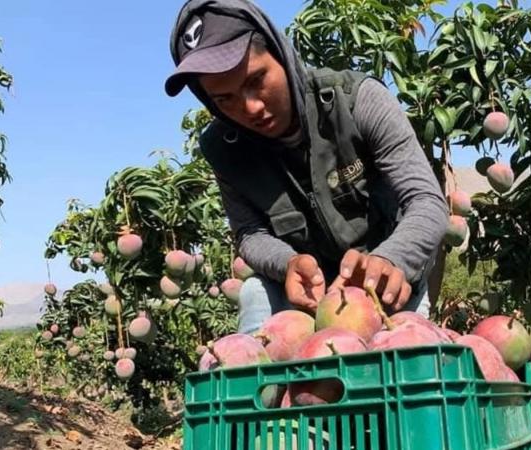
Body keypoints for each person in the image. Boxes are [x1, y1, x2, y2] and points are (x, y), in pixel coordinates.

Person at [164, 0, 448, 334]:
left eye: (256, 80)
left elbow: (426, 200)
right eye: (224, 99)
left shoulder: (356, 101)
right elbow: (250, 232)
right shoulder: (224, 149)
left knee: (395, 350)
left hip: (386, 278)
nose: (250, 108)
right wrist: (287, 264)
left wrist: (391, 259)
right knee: (255, 291)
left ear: (282, 56)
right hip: (308, 294)